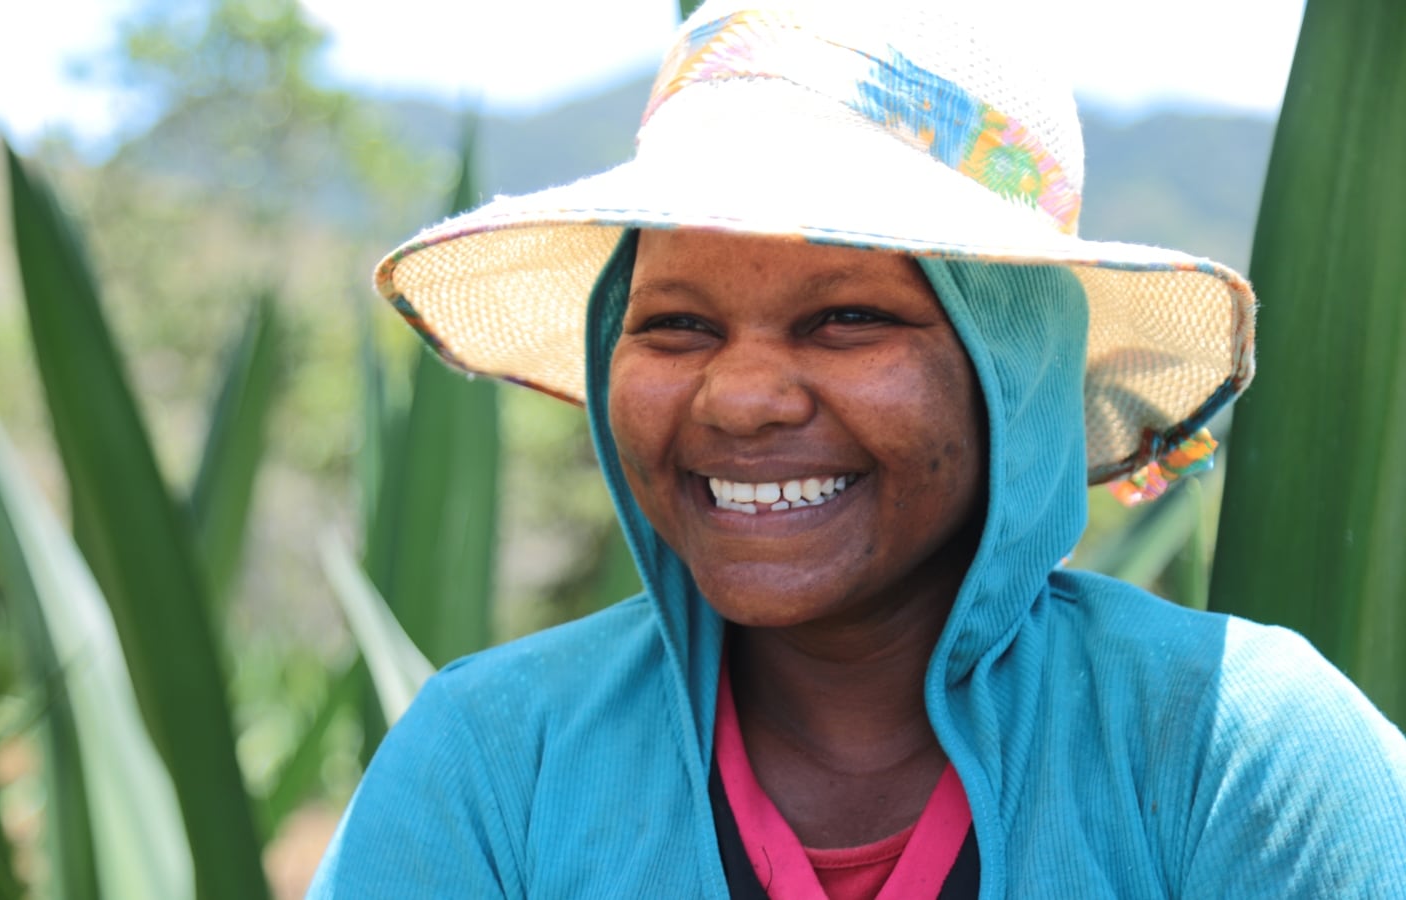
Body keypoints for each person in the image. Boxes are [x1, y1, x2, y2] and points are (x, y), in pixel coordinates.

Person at [308, 2, 1406, 896]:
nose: (739, 400)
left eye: (847, 318)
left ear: (1008, 368)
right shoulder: (494, 765)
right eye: (675, 324)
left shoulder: (1235, 756)